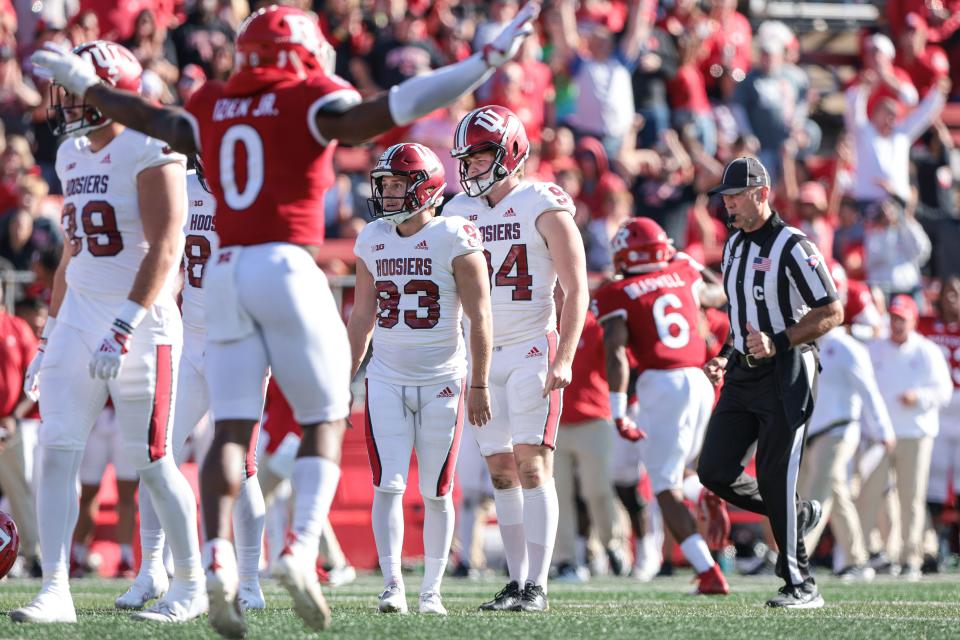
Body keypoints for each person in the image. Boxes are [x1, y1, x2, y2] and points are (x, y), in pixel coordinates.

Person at [31, 4, 539, 634]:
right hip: (285, 265)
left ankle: (216, 560)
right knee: (326, 413)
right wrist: (479, 63)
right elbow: (391, 108)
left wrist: (87, 87)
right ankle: (298, 548)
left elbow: (149, 117)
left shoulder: (214, 100)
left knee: (230, 435)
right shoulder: (304, 100)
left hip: (224, 280)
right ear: (300, 54)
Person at [13, 40, 204, 624]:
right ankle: (55, 589)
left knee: (151, 460)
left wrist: (123, 325)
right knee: (55, 448)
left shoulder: (152, 146)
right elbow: (74, 249)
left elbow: (167, 246)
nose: (66, 102)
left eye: (77, 90)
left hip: (141, 324)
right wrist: (49, 333)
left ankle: (190, 582)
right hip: (78, 319)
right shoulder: (71, 154)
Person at [443, 104, 589, 612]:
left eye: (480, 156)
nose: (470, 168)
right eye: (467, 157)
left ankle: (539, 586)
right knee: (499, 470)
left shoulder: (541, 201)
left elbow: (576, 288)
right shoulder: (456, 210)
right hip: (480, 358)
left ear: (508, 153)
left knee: (532, 467)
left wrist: (564, 356)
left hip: (531, 346)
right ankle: (516, 580)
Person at [347, 142, 492, 615]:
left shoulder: (455, 234)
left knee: (437, 488)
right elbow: (362, 315)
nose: (387, 193)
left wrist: (479, 383)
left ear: (425, 188)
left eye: (396, 184)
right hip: (386, 376)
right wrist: (346, 376)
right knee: (387, 484)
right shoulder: (372, 237)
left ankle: (431, 589)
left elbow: (480, 316)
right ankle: (393, 585)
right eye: (384, 184)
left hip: (442, 379)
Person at [116, 164, 267, 612]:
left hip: (240, 343)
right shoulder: (181, 186)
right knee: (155, 454)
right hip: (190, 337)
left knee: (241, 467)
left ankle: (250, 582)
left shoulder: (251, 187)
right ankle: (151, 570)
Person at [697, 156, 844, 608]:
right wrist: (725, 355)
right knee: (715, 470)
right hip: (744, 372)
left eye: (736, 196)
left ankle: (802, 585)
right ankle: (797, 514)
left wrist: (779, 341)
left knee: (776, 474)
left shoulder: (793, 245)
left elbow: (831, 312)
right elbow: (740, 318)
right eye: (725, 198)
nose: (729, 206)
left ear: (762, 194)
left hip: (788, 371)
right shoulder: (734, 245)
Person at [594, 217, 729, 595]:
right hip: (701, 379)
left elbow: (616, 351)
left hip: (662, 383)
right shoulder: (683, 271)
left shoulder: (617, 290)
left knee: (663, 487)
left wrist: (618, 409)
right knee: (678, 472)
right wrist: (690, 262)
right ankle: (703, 495)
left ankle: (707, 572)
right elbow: (718, 293)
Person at [797, 264, 895, 581]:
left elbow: (869, 392)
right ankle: (856, 558)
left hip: (840, 428)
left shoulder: (846, 347)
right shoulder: (809, 345)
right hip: (815, 431)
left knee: (818, 492)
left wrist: (883, 431)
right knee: (834, 492)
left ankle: (797, 557)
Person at [860, 295, 952, 579]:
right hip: (881, 435)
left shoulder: (927, 351)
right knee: (869, 495)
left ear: (913, 320)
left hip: (915, 434)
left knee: (911, 498)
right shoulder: (874, 350)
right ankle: (871, 554)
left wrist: (919, 397)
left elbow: (943, 391)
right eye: (894, 318)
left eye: (902, 318)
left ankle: (911, 557)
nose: (897, 324)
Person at [552, 311, 623, 582]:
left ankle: (612, 544)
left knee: (598, 490)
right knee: (558, 496)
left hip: (593, 419)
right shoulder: (539, 321)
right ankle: (565, 559)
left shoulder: (594, 324)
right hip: (555, 420)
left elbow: (616, 364)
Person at [918, 277, 960, 564]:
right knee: (931, 483)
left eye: (956, 294)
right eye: (947, 293)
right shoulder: (925, 325)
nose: (952, 299)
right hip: (936, 408)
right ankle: (932, 545)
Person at [0, 282, 39, 576]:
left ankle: (31, 554)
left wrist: (13, 416)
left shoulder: (17, 328)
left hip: (10, 427)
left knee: (20, 490)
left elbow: (34, 381)